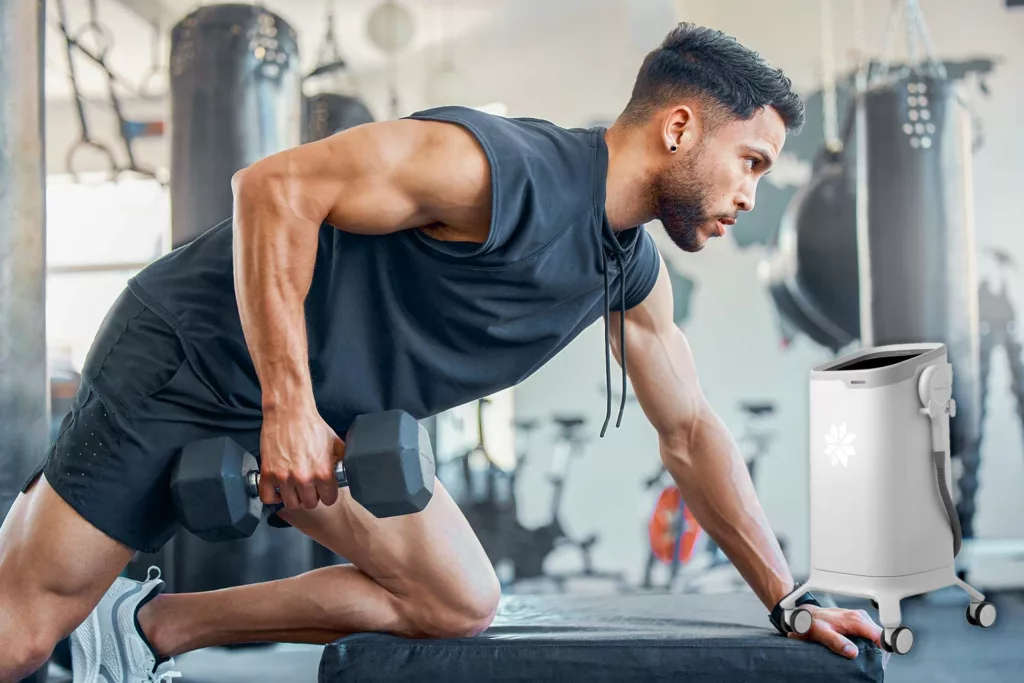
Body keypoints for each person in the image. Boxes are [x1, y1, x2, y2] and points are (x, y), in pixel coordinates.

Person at [0, 22, 882, 682]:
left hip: (320, 413)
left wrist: (787, 595)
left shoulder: (628, 270)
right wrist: (288, 405)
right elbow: (274, 187)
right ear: (681, 128)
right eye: (752, 161)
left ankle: (151, 627)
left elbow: (689, 429)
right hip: (189, 351)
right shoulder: (503, 168)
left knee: (456, 602)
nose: (750, 196)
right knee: (18, 638)